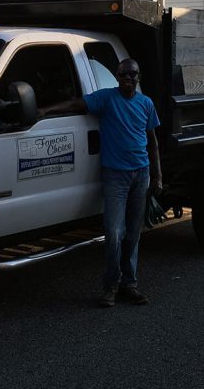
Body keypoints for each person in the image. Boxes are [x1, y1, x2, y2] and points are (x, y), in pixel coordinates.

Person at [39, 58, 162, 307]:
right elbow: (76, 103)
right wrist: (44, 111)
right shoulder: (106, 99)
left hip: (141, 174)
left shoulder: (146, 103)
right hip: (115, 176)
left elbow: (153, 141)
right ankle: (110, 287)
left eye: (133, 74)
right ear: (117, 76)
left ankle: (130, 285)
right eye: (124, 74)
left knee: (133, 234)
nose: (128, 78)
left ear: (139, 77)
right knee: (114, 233)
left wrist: (158, 176)